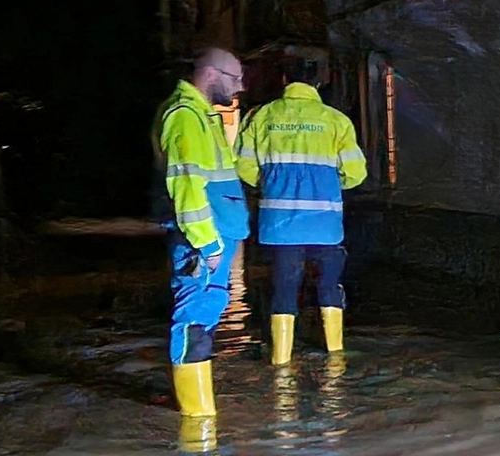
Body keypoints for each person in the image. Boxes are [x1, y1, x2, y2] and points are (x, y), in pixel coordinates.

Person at [236, 60, 367, 365]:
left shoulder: (261, 116)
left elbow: (243, 166)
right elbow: (356, 173)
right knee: (329, 286)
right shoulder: (336, 121)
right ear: (319, 82)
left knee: (284, 288)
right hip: (325, 223)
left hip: (281, 224)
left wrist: (271, 183)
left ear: (283, 79)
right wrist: (330, 185)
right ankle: (336, 356)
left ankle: (281, 361)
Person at [154, 47, 251, 418]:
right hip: (204, 242)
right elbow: (186, 186)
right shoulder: (185, 117)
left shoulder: (201, 116)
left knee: (204, 316)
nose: (240, 87)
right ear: (211, 74)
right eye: (235, 78)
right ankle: (198, 426)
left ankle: (198, 413)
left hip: (214, 239)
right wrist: (207, 243)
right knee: (194, 321)